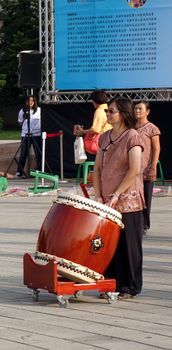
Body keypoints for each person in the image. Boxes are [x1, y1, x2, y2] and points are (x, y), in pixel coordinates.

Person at [93, 97, 144, 299]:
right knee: (108, 244)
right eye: (107, 111)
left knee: (128, 244)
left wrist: (117, 193)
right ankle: (110, 282)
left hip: (127, 200)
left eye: (111, 111)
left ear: (123, 113)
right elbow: (97, 168)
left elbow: (134, 169)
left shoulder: (133, 137)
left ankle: (130, 286)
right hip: (107, 200)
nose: (107, 114)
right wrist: (98, 194)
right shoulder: (105, 137)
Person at [134, 101, 161, 234]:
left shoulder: (152, 128)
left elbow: (156, 149)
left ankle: (144, 225)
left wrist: (153, 167)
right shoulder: (131, 127)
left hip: (146, 169)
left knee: (146, 197)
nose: (137, 111)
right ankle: (136, 223)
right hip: (133, 170)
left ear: (147, 111)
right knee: (135, 197)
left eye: (140, 109)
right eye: (135, 109)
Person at [74, 89, 112, 158]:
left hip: (102, 143)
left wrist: (82, 131)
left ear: (95, 101)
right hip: (110, 141)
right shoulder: (109, 109)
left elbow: (95, 130)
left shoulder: (99, 111)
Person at [16, 95, 41, 177]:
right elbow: (20, 122)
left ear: (34, 102)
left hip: (36, 134)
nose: (30, 102)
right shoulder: (22, 111)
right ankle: (19, 172)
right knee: (24, 153)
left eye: (32, 101)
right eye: (28, 100)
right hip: (25, 134)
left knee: (38, 153)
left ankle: (39, 171)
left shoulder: (39, 110)